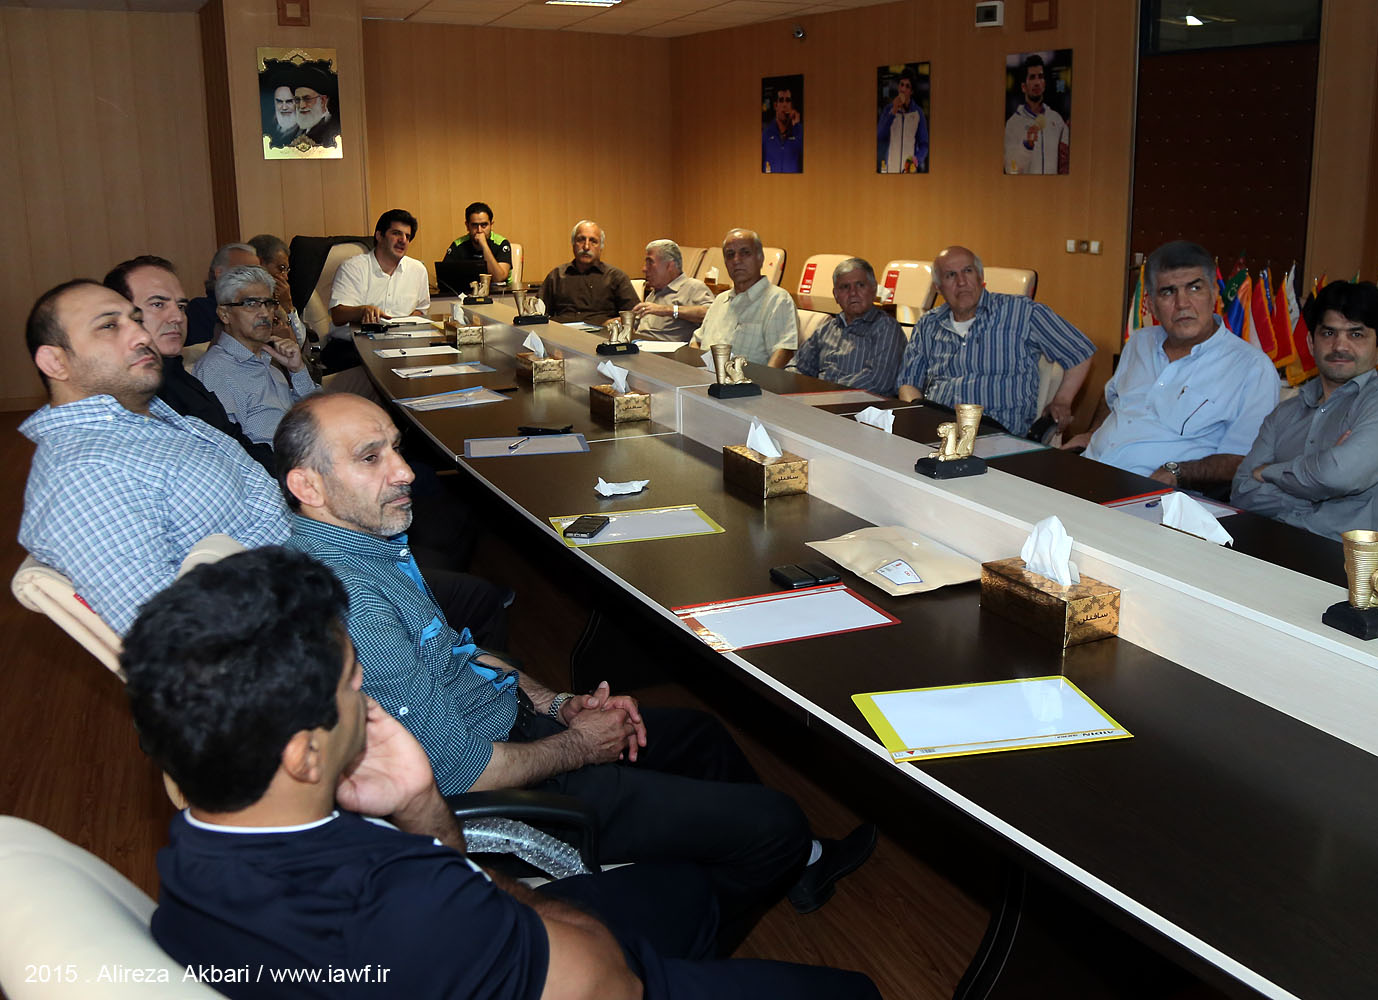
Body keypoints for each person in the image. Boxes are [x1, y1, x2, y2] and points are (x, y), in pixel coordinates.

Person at [124, 546, 882, 1000]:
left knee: (688, 889)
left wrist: (419, 803)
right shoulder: (393, 911)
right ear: (304, 755)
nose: (370, 700)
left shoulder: (186, 868)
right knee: (855, 989)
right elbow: (607, 978)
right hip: (591, 973)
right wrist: (459, 870)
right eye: (354, 684)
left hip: (479, 933)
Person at [277, 393, 877, 921]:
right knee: (775, 823)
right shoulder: (350, 599)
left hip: (514, 726)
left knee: (702, 737)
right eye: (370, 457)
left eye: (396, 448)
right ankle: (678, 929)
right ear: (308, 487)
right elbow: (461, 774)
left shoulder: (366, 544)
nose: (405, 471)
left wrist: (559, 704)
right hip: (507, 785)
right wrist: (581, 745)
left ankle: (794, 864)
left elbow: (460, 651)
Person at [18, 280, 288, 633]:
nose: (142, 335)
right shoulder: (84, 476)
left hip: (318, 566)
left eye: (135, 320)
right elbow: (172, 633)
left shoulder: (145, 417)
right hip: (300, 615)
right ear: (55, 362)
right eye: (109, 326)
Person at [1073, 241, 1280, 490]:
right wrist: (1092, 433)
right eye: (1168, 292)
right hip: (1088, 470)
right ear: (1151, 304)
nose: (1182, 304)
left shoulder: (1252, 368)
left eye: (1194, 288)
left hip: (1155, 496)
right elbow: (1113, 400)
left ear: (1214, 293)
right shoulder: (1140, 342)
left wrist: (1178, 472)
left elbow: (1244, 460)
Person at [1231, 280, 1378, 540]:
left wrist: (1269, 473)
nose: (1340, 346)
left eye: (1356, 335)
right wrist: (1315, 493)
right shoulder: (1286, 412)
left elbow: (1337, 476)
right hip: (1270, 542)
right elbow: (1241, 490)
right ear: (1311, 343)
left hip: (1342, 558)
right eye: (1328, 333)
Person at [102, 255, 276, 472]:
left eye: (181, 306)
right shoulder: (124, 396)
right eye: (158, 304)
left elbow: (235, 443)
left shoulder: (179, 377)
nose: (177, 316)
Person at [896, 245, 1093, 437]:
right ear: (938, 287)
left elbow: (1080, 352)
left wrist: (1063, 400)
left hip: (995, 433)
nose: (961, 282)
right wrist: (919, 418)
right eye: (951, 275)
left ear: (981, 277)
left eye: (968, 271)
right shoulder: (929, 324)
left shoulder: (1023, 312)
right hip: (939, 429)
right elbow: (908, 383)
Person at [194, 265, 317, 446]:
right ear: (224, 314)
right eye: (251, 304)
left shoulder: (270, 361)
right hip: (273, 461)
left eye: (269, 303)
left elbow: (317, 414)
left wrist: (297, 370)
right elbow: (226, 447)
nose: (265, 313)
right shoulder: (216, 371)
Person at [326, 209, 431, 371]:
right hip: (352, 347)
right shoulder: (353, 268)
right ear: (379, 236)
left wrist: (403, 326)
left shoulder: (418, 270)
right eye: (396, 233)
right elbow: (338, 315)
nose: (403, 240)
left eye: (407, 236)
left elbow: (421, 310)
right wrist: (362, 311)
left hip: (400, 345)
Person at [793, 258, 904, 395]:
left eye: (860, 285)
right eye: (845, 287)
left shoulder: (887, 329)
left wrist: (827, 391)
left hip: (859, 405)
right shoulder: (826, 329)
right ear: (836, 295)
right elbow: (798, 366)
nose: (853, 293)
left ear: (874, 289)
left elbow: (878, 381)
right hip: (817, 400)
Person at [695, 228, 798, 369]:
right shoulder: (720, 300)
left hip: (747, 380)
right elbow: (697, 341)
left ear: (760, 258)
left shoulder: (778, 300)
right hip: (703, 377)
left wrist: (762, 382)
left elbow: (783, 353)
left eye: (745, 253)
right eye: (730, 255)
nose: (736, 260)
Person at [538, 220, 639, 326]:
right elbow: (537, 313)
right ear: (573, 244)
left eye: (593, 241)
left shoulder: (616, 277)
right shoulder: (556, 276)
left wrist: (614, 322)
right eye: (581, 240)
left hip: (600, 333)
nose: (586, 247)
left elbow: (634, 316)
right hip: (562, 332)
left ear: (601, 247)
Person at [632, 239, 713, 342]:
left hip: (665, 350)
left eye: (650, 263)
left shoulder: (692, 287)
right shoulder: (655, 291)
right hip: (639, 345)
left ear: (670, 266)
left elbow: (711, 314)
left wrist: (667, 310)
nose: (644, 269)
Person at [1004, 54, 1068, 175]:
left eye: (1040, 77)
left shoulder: (1056, 119)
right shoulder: (1013, 124)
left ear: (1044, 84)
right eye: (1032, 77)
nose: (1037, 82)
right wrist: (1026, 146)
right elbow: (1011, 169)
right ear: (1024, 87)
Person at [185, 242, 259, 346]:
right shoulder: (201, 309)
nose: (254, 279)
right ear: (219, 273)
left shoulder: (263, 306)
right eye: (245, 273)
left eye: (258, 273)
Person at [247, 233, 308, 345]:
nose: (285, 277)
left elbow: (301, 342)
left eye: (286, 270)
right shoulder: (244, 300)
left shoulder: (278, 298)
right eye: (281, 268)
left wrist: (288, 307)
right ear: (259, 264)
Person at [442, 201, 512, 285]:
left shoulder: (501, 243)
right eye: (475, 225)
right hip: (467, 291)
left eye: (484, 225)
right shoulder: (458, 245)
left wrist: (484, 246)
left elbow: (498, 278)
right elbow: (444, 279)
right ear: (467, 226)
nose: (479, 230)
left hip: (499, 292)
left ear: (491, 225)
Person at [877, 69, 928, 174]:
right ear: (898, 87)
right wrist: (893, 111)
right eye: (901, 85)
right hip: (890, 170)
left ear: (911, 92)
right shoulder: (888, 110)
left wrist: (915, 161)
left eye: (907, 86)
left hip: (909, 172)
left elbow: (924, 144)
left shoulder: (918, 113)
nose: (903, 89)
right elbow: (880, 135)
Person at [293, 65, 340, 148]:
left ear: (323, 100)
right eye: (297, 100)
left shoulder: (331, 129)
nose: (301, 105)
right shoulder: (300, 130)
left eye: (307, 99)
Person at [762, 85, 803, 173]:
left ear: (791, 105)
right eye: (781, 100)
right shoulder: (765, 134)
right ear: (775, 105)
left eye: (788, 100)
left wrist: (797, 127)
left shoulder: (799, 132)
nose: (784, 105)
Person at [266, 83, 299, 148]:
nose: (284, 107)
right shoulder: (268, 126)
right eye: (279, 101)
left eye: (289, 101)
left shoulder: (305, 132)